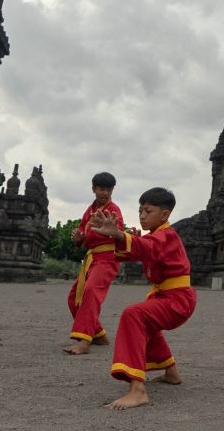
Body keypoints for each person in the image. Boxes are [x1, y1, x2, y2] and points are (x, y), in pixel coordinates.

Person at [88, 187, 196, 410]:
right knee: (146, 318)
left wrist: (119, 234)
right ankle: (171, 373)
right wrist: (118, 236)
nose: (142, 216)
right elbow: (140, 250)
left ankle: (137, 391)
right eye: (140, 211)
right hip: (169, 297)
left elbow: (149, 247)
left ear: (164, 215)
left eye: (148, 211)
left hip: (177, 300)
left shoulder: (166, 235)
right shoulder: (156, 237)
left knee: (133, 314)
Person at [63, 171, 123, 355]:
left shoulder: (114, 210)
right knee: (74, 298)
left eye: (109, 189)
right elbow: (82, 236)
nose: (105, 193)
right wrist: (78, 237)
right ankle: (99, 335)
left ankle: (84, 340)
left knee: (90, 291)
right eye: (101, 189)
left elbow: (118, 232)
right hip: (91, 259)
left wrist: (109, 230)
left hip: (107, 258)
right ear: (94, 189)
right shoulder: (89, 211)